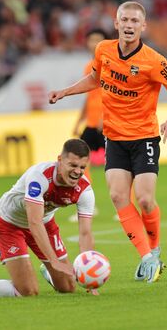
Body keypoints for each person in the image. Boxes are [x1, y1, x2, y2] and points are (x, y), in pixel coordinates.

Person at [48, 1, 167, 284]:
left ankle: (155, 249)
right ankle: (147, 257)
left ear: (143, 26)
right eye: (124, 20)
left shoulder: (155, 61)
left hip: (145, 137)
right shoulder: (103, 51)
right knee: (117, 197)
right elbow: (95, 79)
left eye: (134, 21)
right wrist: (65, 92)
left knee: (147, 200)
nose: (128, 25)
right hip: (114, 137)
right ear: (116, 23)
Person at [0, 139, 97, 298]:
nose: (77, 172)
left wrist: (88, 273)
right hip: (8, 223)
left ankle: (48, 272)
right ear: (60, 160)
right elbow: (34, 222)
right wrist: (54, 262)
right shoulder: (39, 177)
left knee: (68, 287)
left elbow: (85, 233)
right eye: (73, 165)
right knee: (28, 291)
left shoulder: (84, 190)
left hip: (45, 224)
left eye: (82, 167)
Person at [68, 28, 108, 223]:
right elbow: (89, 96)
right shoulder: (89, 66)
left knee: (121, 166)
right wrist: (79, 121)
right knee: (79, 162)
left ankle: (127, 206)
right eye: (91, 40)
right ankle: (86, 205)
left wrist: (105, 115)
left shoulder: (110, 64)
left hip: (108, 122)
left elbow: (112, 93)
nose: (94, 44)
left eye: (98, 40)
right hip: (92, 123)